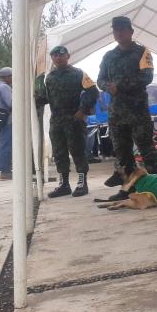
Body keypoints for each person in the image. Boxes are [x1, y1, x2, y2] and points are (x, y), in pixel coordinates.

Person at [97, 16, 157, 199]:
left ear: (131, 31)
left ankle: (155, 185)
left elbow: (147, 77)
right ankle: (128, 189)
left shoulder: (142, 52)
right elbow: (100, 80)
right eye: (116, 30)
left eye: (123, 29)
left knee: (146, 148)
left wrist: (121, 85)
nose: (119, 33)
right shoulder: (108, 56)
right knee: (122, 152)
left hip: (137, 111)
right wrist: (109, 87)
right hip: (117, 112)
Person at [36, 46, 99, 198]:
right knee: (59, 152)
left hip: (74, 119)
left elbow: (93, 91)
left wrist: (83, 110)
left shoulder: (78, 73)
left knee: (77, 151)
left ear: (68, 56)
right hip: (56, 120)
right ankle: (64, 184)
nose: (58, 58)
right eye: (54, 56)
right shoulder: (50, 77)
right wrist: (35, 94)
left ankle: (82, 183)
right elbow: (46, 98)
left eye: (61, 55)